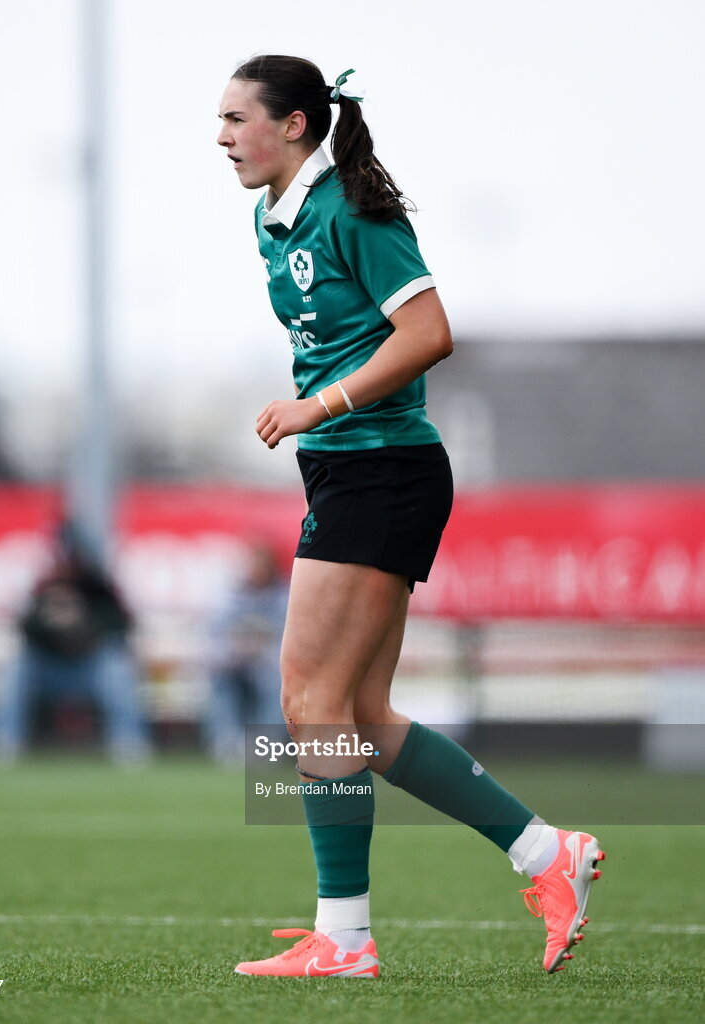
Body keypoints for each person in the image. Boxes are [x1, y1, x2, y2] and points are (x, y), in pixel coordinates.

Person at [217, 55, 605, 978]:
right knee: (358, 716)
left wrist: (320, 405)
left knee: (310, 705)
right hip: (350, 472)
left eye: (239, 120)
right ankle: (545, 853)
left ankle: (345, 940)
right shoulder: (272, 218)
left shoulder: (351, 207)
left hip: (379, 470)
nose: (224, 138)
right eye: (220, 124)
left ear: (297, 125)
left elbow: (428, 334)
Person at [0, 521, 152, 764]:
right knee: (16, 667)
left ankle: (130, 742)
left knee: (117, 665)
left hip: (91, 669)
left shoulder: (99, 587)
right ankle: (3, 741)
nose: (67, 562)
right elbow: (24, 628)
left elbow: (123, 626)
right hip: (49, 670)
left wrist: (82, 622)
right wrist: (51, 621)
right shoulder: (44, 586)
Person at [203, 544, 288, 762]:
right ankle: (226, 743)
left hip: (269, 664)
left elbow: (288, 639)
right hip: (236, 663)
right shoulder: (231, 597)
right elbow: (216, 636)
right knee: (220, 679)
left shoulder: (284, 596)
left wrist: (260, 649)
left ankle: (263, 746)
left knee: (276, 683)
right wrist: (237, 650)